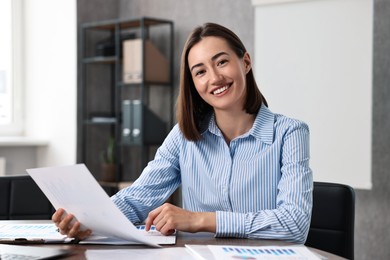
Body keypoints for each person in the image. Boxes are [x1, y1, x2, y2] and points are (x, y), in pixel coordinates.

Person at [53, 22, 313, 244]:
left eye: (221, 62)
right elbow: (137, 198)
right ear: (193, 83)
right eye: (200, 71)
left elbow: (294, 225)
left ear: (245, 62)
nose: (214, 78)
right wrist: (90, 219)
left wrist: (199, 220)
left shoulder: (290, 133)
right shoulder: (184, 136)